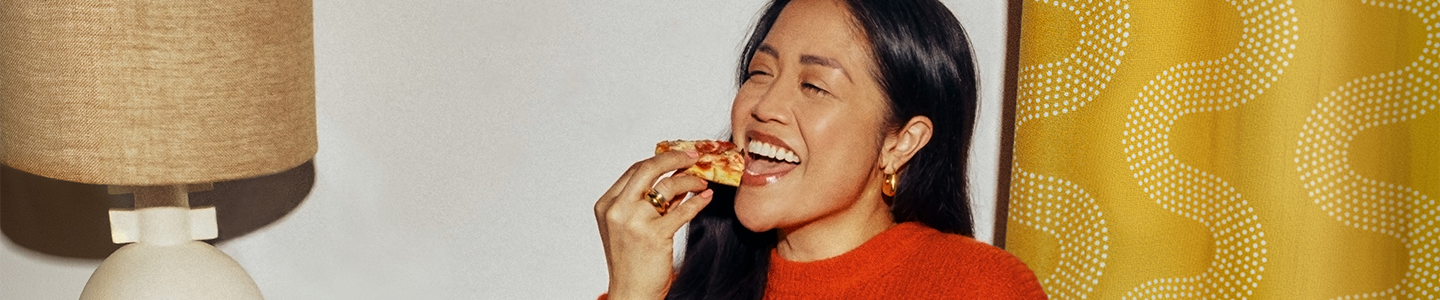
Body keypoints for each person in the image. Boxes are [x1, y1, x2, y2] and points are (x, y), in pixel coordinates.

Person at [593, 0, 1047, 298]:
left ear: (900, 143)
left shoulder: (976, 287)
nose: (764, 106)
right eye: (760, 73)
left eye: (814, 85)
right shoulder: (667, 289)